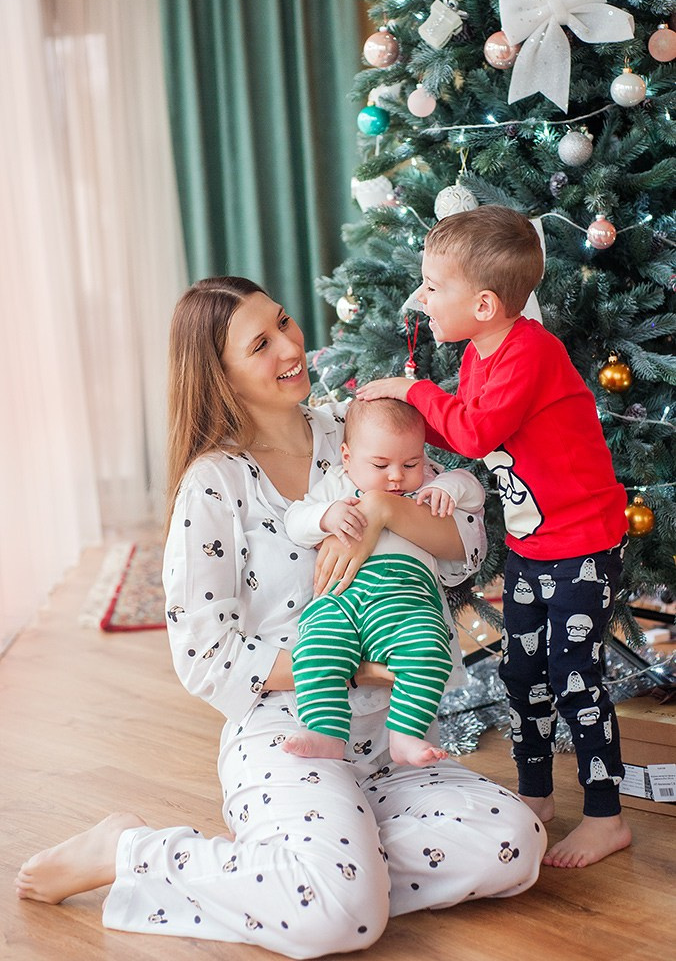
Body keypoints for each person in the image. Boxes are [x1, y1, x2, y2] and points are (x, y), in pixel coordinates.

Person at [16, 276, 546, 958]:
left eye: (286, 323)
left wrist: (385, 510)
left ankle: (323, 865)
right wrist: (356, 667)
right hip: (287, 732)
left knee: (512, 846)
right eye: (260, 343)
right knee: (338, 919)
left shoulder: (355, 428)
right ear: (222, 375)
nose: (291, 346)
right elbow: (206, 657)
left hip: (393, 736)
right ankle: (134, 853)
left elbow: (465, 550)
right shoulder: (215, 484)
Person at [357, 205, 632, 871]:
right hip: (537, 547)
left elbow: (477, 434)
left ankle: (606, 815)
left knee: (575, 677)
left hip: (584, 545)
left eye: (433, 285)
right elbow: (466, 433)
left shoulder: (530, 350)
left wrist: (416, 388)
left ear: (483, 303)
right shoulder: (481, 357)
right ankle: (535, 795)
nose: (421, 298)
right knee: (522, 672)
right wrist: (405, 428)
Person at [283, 396, 485, 766]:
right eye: (380, 464)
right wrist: (325, 516)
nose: (396, 476)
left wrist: (448, 489)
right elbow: (295, 520)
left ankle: (406, 736)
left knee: (428, 648)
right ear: (347, 458)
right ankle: (325, 732)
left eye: (410, 462)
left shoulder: (429, 484)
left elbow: (472, 486)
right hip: (343, 598)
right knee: (314, 647)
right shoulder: (337, 486)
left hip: (408, 600)